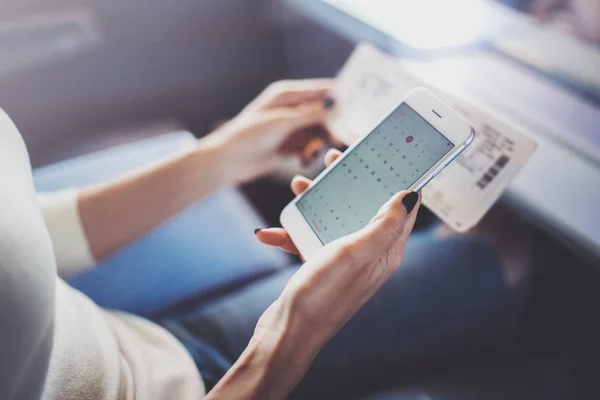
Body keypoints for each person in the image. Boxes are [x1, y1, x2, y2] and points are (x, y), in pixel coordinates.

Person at [0, 79, 531, 400]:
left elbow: (26, 224)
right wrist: (293, 335)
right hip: (185, 383)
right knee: (496, 255)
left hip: (99, 326)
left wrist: (224, 156)